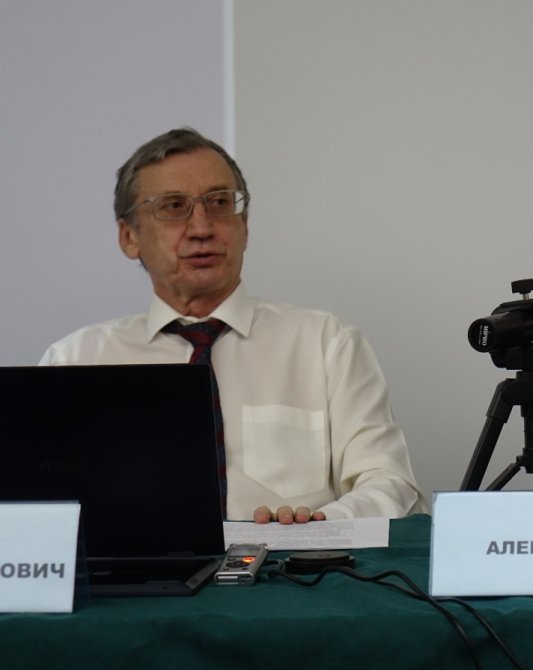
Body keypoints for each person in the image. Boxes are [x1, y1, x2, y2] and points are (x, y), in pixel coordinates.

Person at [40, 128, 428, 523]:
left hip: (295, 559)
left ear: (245, 225)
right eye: (173, 206)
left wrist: (319, 528)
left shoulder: (326, 343)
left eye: (220, 203)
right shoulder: (75, 360)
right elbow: (36, 509)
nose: (202, 228)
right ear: (128, 237)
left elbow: (391, 485)